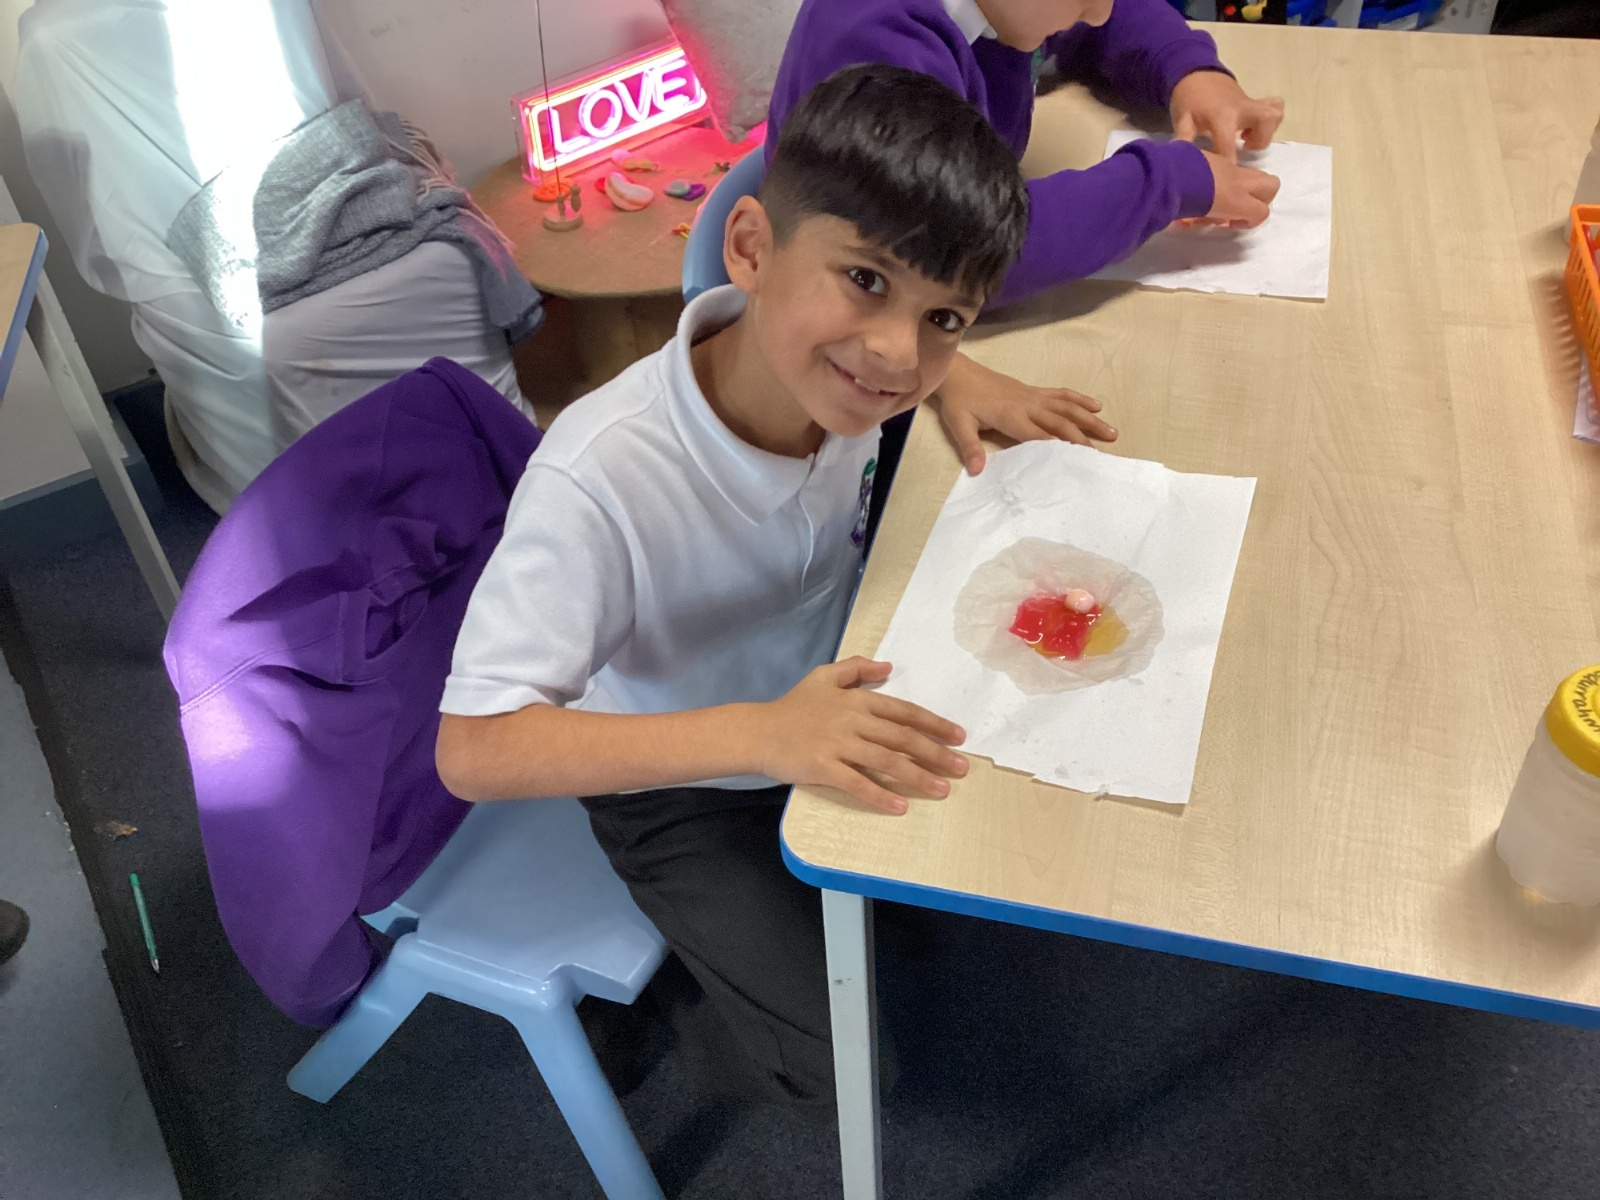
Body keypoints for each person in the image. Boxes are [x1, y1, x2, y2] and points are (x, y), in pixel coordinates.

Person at [435, 64, 1027, 1109]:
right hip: (677, 785)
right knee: (854, 1072)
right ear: (749, 248)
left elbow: (900, 355)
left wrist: (955, 373)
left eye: (944, 318)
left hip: (811, 698)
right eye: (867, 280)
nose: (896, 354)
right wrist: (763, 736)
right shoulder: (599, 475)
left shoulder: (847, 381)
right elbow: (473, 748)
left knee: (1004, 837)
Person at [766, 0, 1285, 472]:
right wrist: (1164, 182)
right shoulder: (878, 41)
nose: (1099, 13)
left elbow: (1111, 19)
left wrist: (1188, 69)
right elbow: (949, 258)